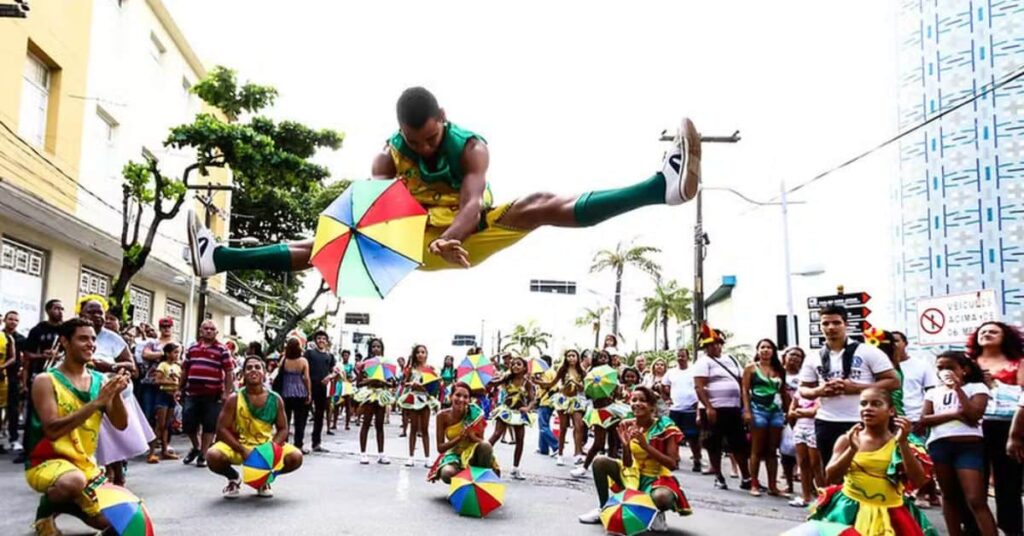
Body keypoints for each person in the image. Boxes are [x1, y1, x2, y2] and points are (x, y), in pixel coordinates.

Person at [188, 85, 701, 281]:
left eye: (432, 138)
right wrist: (362, 245)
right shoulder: (387, 158)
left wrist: (454, 233)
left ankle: (662, 188)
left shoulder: (471, 146)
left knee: (539, 204)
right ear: (402, 134)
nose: (426, 148)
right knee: (321, 244)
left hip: (464, 232)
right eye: (417, 142)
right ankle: (219, 258)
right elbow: (374, 216)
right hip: (413, 236)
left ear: (443, 120)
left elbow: (474, 202)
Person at [23, 318, 130, 536]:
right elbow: (52, 430)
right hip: (45, 462)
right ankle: (44, 513)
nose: (91, 343)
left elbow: (121, 424)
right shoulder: (46, 380)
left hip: (85, 466)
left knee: (115, 522)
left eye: (93, 339)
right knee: (73, 481)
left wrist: (115, 395)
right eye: (83, 338)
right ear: (64, 342)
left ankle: (67, 503)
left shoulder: (100, 380)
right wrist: (96, 403)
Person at [790, 387, 936, 535]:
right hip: (849, 511)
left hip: (891, 513)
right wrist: (852, 450)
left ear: (891, 410)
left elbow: (918, 480)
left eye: (876, 404)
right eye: (863, 403)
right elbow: (831, 477)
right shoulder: (847, 439)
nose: (868, 408)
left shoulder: (902, 442)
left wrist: (903, 444)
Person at [577, 386, 692, 532]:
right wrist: (625, 446)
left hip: (656, 478)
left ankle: (656, 512)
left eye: (642, 400)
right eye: (634, 400)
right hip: (632, 475)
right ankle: (603, 508)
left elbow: (672, 464)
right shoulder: (627, 424)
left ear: (652, 406)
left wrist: (646, 446)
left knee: (663, 497)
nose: (637, 403)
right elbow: (627, 463)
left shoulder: (665, 426)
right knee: (600, 461)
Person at [799, 305, 899, 468]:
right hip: (826, 420)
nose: (831, 328)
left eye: (836, 323)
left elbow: (893, 382)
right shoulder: (813, 357)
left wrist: (857, 388)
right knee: (831, 471)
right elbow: (804, 390)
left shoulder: (868, 352)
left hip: (861, 420)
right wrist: (820, 391)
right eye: (825, 323)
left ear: (846, 325)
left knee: (865, 468)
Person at [79, 297, 153, 487]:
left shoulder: (113, 338)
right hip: (81, 394)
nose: (96, 316)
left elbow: (132, 367)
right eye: (91, 312)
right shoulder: (72, 334)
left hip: (111, 395)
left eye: (100, 313)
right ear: (81, 314)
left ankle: (117, 475)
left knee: (111, 437)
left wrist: (110, 366)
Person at [920, 350, 996, 536]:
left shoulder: (977, 388)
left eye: (950, 368)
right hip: (940, 445)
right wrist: (955, 414)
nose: (945, 371)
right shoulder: (933, 392)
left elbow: (973, 415)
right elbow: (925, 419)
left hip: (968, 446)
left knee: (975, 498)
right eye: (940, 368)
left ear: (964, 370)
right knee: (949, 496)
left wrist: (958, 389)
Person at [206, 355, 303, 499]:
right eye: (249, 368)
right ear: (243, 374)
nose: (253, 370)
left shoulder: (275, 399)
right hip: (239, 446)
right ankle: (233, 478)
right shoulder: (235, 398)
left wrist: (270, 451)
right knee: (212, 455)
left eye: (257, 367)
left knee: (296, 457)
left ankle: (264, 478)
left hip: (265, 447)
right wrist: (242, 449)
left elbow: (283, 429)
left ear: (264, 373)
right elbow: (222, 429)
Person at [967, 321, 1024, 536]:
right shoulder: (968, 363)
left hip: (1008, 427)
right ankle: (974, 529)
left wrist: (1016, 435)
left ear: (1005, 336)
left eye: (993, 331)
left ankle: (1011, 530)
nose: (987, 334)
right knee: (973, 483)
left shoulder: (1018, 362)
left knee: (1007, 484)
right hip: (972, 427)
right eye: (983, 331)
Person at [692, 326, 751, 490]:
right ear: (706, 347)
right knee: (713, 444)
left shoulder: (731, 359)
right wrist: (709, 407)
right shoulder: (703, 362)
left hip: (733, 408)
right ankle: (718, 475)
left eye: (718, 343)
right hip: (714, 410)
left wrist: (745, 406)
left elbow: (742, 382)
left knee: (739, 443)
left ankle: (746, 477)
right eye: (711, 345)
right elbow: (700, 387)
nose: (715, 347)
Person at [180, 320, 235, 468]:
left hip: (213, 394)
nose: (209, 331)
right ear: (200, 331)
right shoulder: (192, 349)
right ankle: (196, 447)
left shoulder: (222, 350)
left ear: (216, 332)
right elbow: (185, 369)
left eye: (212, 329)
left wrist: (226, 392)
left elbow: (229, 372)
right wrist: (179, 388)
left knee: (209, 425)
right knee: (188, 424)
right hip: (192, 392)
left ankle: (203, 454)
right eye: (206, 328)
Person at [741, 338, 790, 497]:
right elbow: (745, 391)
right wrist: (747, 411)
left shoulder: (779, 369)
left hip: (775, 411)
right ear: (757, 350)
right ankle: (754, 483)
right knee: (756, 449)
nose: (765, 350)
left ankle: (772, 485)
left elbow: (783, 392)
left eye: (769, 347)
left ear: (773, 351)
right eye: (762, 347)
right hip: (757, 411)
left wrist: (788, 411)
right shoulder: (751, 369)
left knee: (772, 450)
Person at [16, 300, 63, 463]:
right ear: (48, 310)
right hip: (39, 375)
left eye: (62, 309)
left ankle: (54, 449)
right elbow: (28, 355)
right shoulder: (38, 330)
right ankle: (28, 449)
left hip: (59, 376)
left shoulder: (66, 330)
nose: (60, 311)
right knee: (32, 414)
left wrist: (59, 356)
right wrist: (44, 355)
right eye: (57, 308)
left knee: (57, 413)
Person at [427, 382, 499, 484]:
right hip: (455, 454)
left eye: (465, 397)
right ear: (451, 396)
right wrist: (459, 438)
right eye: (458, 395)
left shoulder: (475, 414)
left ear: (469, 400)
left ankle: (482, 482)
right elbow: (440, 448)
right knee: (447, 473)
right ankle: (464, 482)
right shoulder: (442, 416)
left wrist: (472, 437)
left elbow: (482, 443)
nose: (461, 400)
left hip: (473, 454)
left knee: (486, 445)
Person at [572, 351, 629, 479]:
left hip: (612, 409)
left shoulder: (612, 375)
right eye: (600, 357)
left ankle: (613, 469)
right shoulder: (591, 376)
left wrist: (618, 391)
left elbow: (618, 394)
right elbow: (588, 395)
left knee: (614, 440)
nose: (603, 359)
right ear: (596, 360)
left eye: (605, 357)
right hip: (599, 412)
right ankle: (584, 467)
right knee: (598, 443)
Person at [487, 355, 536, 479]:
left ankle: (515, 468)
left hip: (519, 413)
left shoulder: (527, 383)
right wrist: (489, 380)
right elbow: (492, 384)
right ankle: (480, 456)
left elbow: (532, 400)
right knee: (497, 434)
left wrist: (528, 408)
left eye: (519, 364)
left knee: (520, 440)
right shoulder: (507, 379)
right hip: (506, 410)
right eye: (513, 364)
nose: (515, 366)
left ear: (525, 367)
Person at [354, 337, 394, 464]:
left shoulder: (386, 364)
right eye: (373, 346)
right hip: (369, 394)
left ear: (382, 349)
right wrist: (371, 381)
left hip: (381, 395)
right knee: (366, 423)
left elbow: (391, 383)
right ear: (370, 349)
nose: (376, 349)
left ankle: (381, 453)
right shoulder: (365, 364)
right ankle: (363, 453)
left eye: (378, 347)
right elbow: (359, 383)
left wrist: (383, 382)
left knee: (380, 424)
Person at [399, 344, 439, 467]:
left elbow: (434, 388)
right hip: (413, 398)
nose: (421, 354)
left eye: (423, 352)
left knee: (425, 429)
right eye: (418, 352)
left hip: (425, 399)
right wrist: (411, 384)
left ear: (426, 354)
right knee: (413, 428)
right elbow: (404, 383)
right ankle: (411, 456)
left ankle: (427, 458)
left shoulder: (431, 369)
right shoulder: (410, 369)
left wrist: (424, 387)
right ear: (415, 355)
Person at [663, 348, 701, 473]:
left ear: (687, 357)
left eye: (683, 356)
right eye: (678, 356)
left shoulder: (694, 370)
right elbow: (663, 385)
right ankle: (675, 460)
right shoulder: (671, 372)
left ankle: (697, 459)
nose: (680, 358)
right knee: (673, 436)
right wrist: (666, 398)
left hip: (690, 408)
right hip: (675, 409)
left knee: (693, 437)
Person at [552, 349, 587, 466]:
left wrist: (575, 382)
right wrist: (560, 387)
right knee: (563, 427)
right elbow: (554, 383)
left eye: (574, 356)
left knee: (579, 426)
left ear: (577, 358)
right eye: (569, 356)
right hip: (563, 400)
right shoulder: (562, 370)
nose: (571, 358)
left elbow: (583, 388)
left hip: (576, 400)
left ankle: (577, 454)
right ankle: (560, 454)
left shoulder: (582, 371)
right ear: (566, 358)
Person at [303, 330, 336, 453]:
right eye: (319, 338)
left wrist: (329, 377)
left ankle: (316, 443)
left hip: (322, 388)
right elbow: (303, 368)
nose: (321, 340)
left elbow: (335, 371)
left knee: (319, 415)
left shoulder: (330, 356)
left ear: (327, 342)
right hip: (308, 387)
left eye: (323, 339)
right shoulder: (309, 353)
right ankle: (299, 444)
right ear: (315, 340)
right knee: (303, 414)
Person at [278, 338, 312, 454]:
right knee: (300, 421)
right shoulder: (303, 361)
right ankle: (298, 445)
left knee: (285, 420)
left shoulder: (284, 360)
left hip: (285, 392)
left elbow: (279, 373)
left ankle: (284, 445)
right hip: (300, 392)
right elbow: (306, 378)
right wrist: (309, 393)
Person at [150, 342, 182, 463]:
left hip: (171, 397)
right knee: (160, 425)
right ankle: (152, 452)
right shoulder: (162, 365)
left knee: (167, 425)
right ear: (168, 353)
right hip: (162, 395)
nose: (177, 355)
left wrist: (178, 388)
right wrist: (172, 383)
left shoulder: (178, 367)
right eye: (175, 352)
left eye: (178, 352)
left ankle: (165, 450)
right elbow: (157, 380)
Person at [532, 354, 559, 457]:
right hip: (548, 401)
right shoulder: (551, 372)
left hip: (546, 401)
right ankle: (543, 448)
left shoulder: (547, 373)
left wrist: (536, 381)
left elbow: (546, 385)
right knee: (543, 425)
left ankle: (556, 446)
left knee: (543, 426)